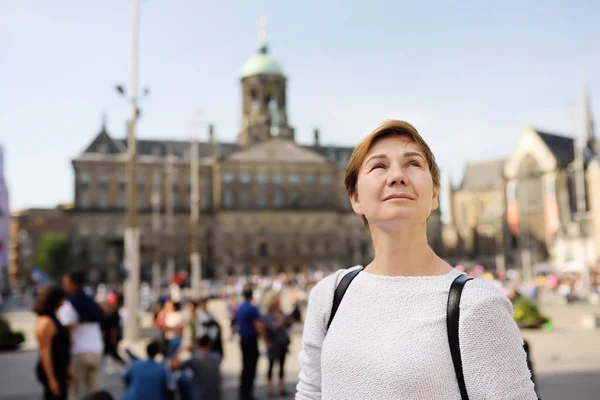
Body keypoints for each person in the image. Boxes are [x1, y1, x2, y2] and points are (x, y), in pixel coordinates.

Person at [295, 120, 538, 399]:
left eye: (413, 164)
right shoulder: (329, 296)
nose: (397, 176)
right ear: (355, 198)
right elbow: (310, 394)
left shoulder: (476, 305)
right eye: (379, 166)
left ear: (434, 194)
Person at [59, 270, 104, 400]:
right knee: (95, 392)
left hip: (78, 352)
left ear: (73, 284)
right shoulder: (91, 301)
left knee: (74, 392)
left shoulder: (69, 305)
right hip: (95, 350)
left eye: (65, 282)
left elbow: (68, 331)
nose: (64, 285)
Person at [33, 285, 71, 400]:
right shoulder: (46, 322)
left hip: (59, 369)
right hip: (54, 371)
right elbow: (45, 352)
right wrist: (52, 379)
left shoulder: (51, 319)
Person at [171, 335, 222, 400]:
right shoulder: (217, 357)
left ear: (198, 345)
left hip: (200, 396)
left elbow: (173, 365)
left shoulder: (195, 359)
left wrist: (181, 350)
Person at [237, 286, 266, 400]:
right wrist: (265, 339)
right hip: (251, 340)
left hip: (243, 339)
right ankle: (247, 393)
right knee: (251, 367)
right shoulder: (252, 308)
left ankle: (243, 392)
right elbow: (258, 326)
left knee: (245, 367)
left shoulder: (240, 308)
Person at [262, 292, 292, 397]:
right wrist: (278, 323)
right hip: (273, 343)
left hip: (282, 343)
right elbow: (266, 328)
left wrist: (288, 321)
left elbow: (287, 325)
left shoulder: (281, 313)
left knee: (282, 366)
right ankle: (270, 388)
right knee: (271, 366)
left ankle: (281, 387)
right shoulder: (267, 315)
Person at [101, 298, 125, 374]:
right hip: (108, 338)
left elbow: (114, 329)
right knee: (108, 353)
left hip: (110, 338)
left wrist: (113, 339)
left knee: (113, 354)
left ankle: (124, 366)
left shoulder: (114, 316)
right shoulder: (110, 315)